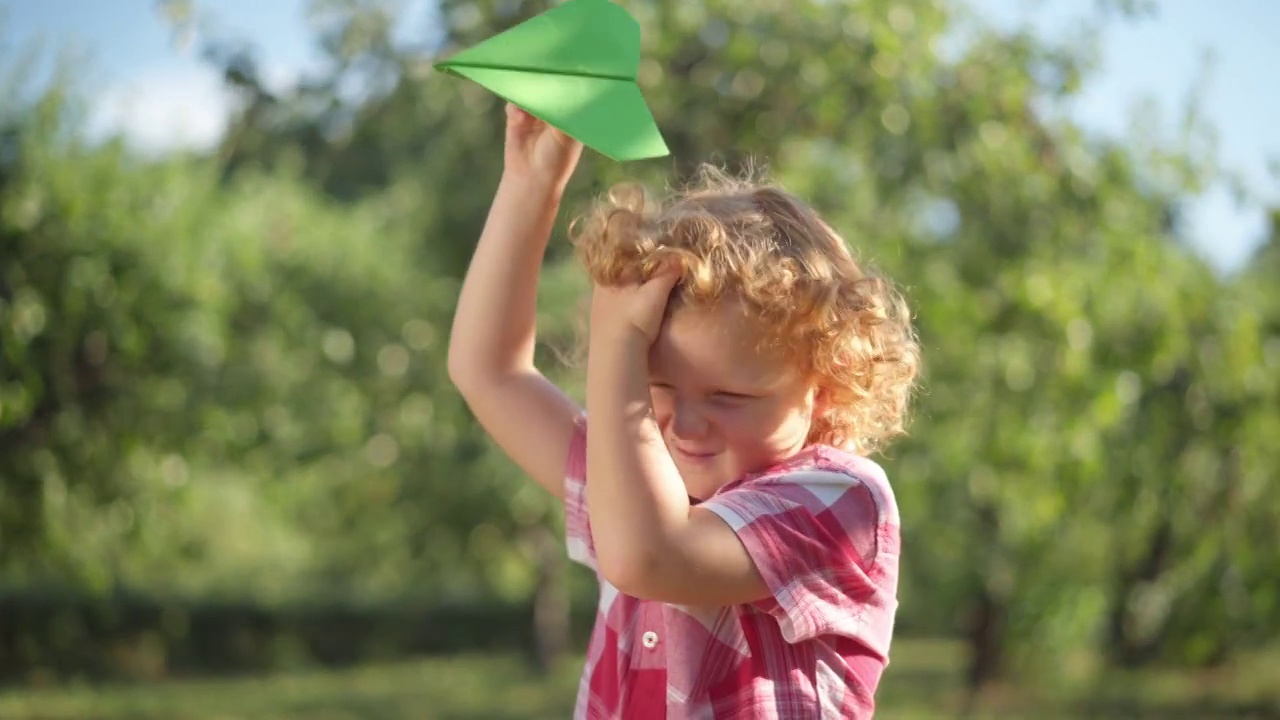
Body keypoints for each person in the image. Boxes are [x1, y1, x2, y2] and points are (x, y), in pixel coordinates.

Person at [448, 103, 921, 719]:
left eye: (729, 397)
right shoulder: (631, 477)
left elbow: (649, 555)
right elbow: (490, 372)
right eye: (657, 387)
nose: (685, 424)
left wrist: (620, 348)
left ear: (825, 388)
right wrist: (530, 184)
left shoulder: (840, 500)